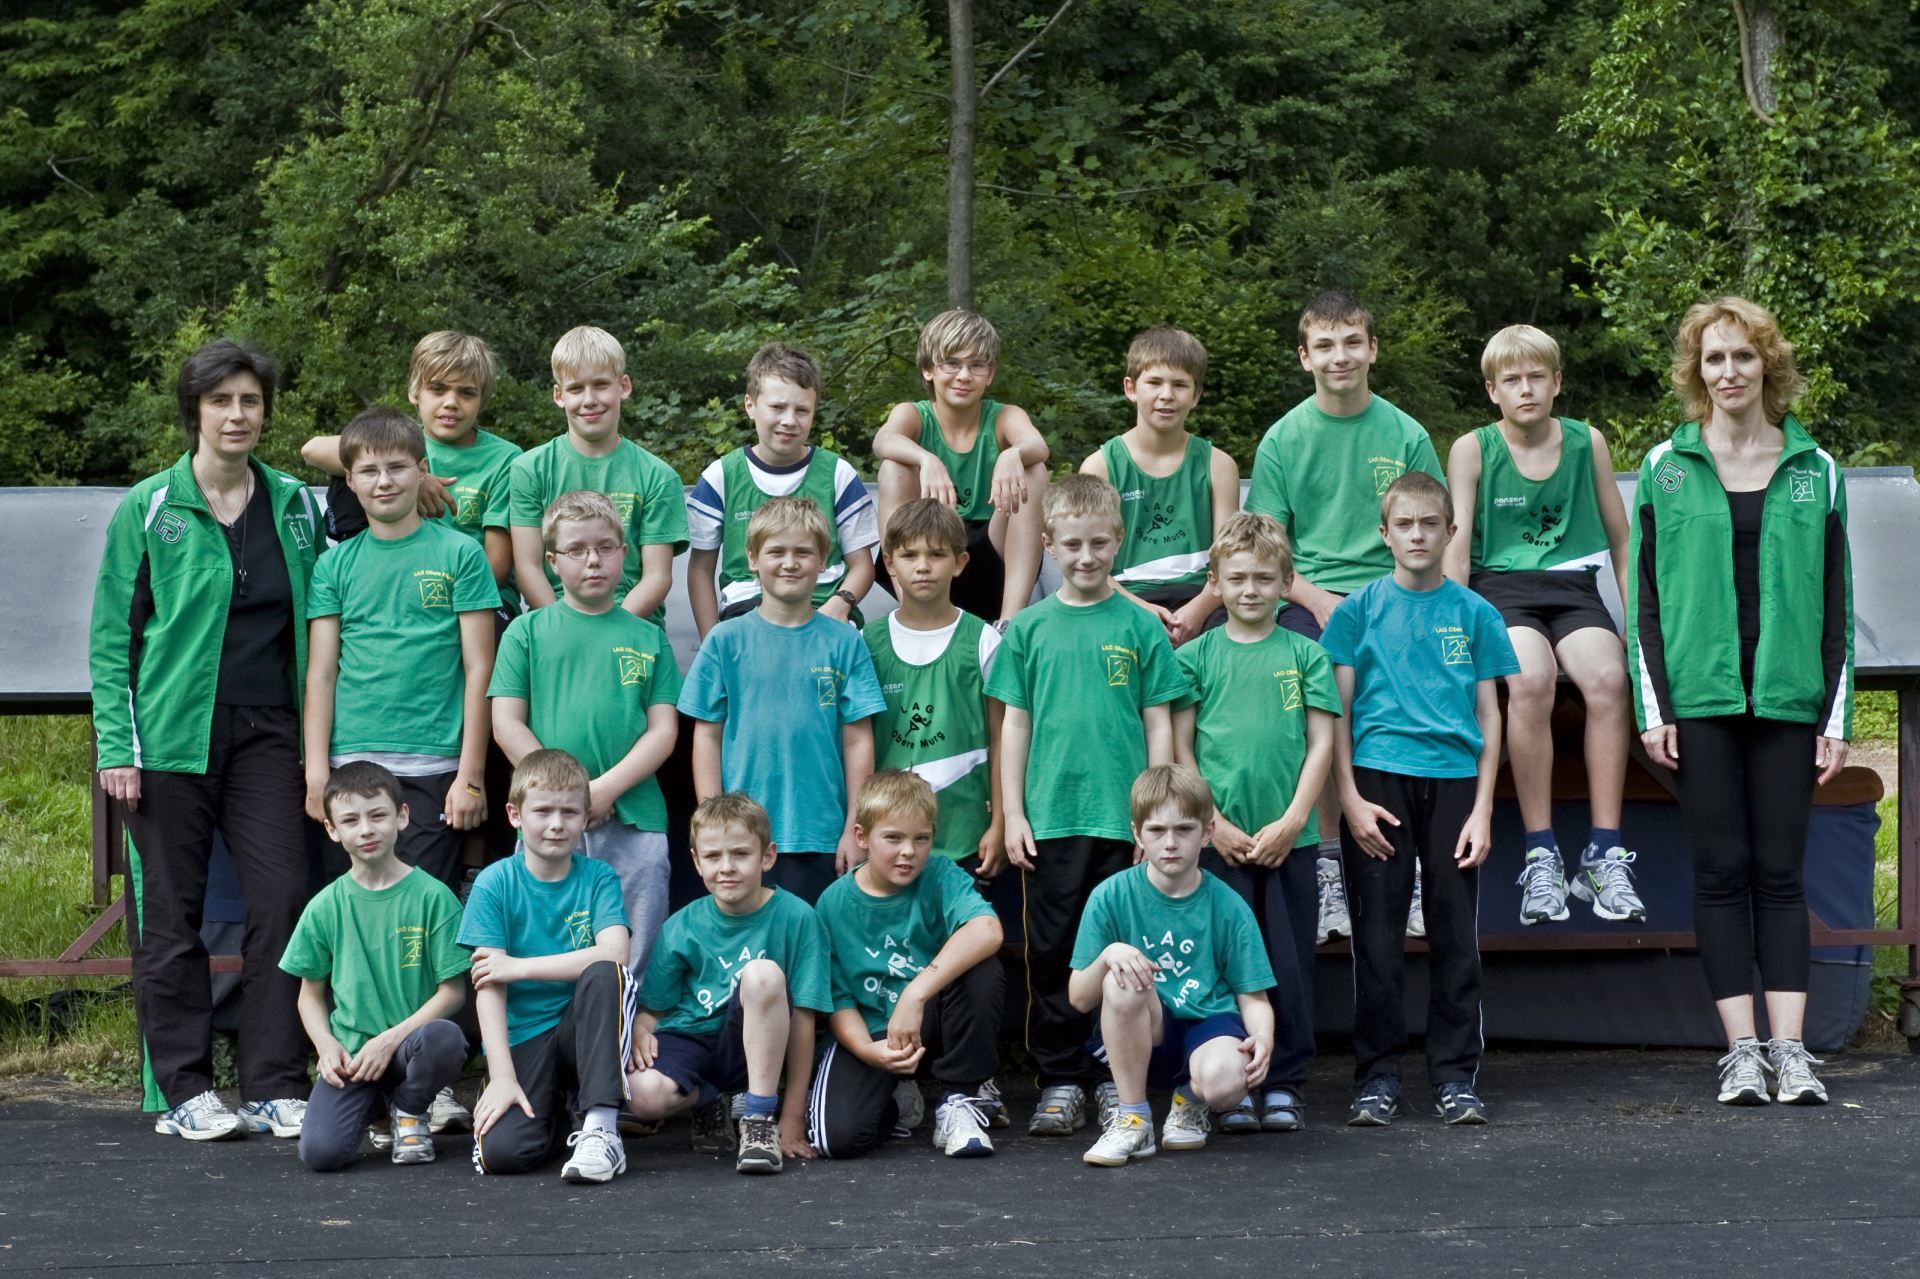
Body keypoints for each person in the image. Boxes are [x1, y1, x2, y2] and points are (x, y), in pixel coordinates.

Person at [90, 338, 322, 1140]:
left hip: (270, 736)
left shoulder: (297, 505)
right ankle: (183, 1088)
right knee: (172, 915)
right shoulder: (150, 506)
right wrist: (117, 746)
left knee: (284, 900)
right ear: (195, 411)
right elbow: (112, 636)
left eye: (250, 400)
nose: (237, 414)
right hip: (168, 739)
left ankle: (271, 1081)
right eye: (221, 400)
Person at [1628, 295, 1852, 1107]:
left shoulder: (1816, 469)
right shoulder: (1663, 466)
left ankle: (1793, 1053)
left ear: (1769, 366)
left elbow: (1837, 602)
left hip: (1788, 702)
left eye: (1743, 357)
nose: (1729, 371)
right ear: (1697, 372)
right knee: (1721, 872)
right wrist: (1655, 708)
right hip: (1702, 702)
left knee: (1781, 874)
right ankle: (1743, 1053)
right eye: (1714, 358)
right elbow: (1644, 600)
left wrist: (1834, 717)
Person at [983, 474, 1190, 1137]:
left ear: (1118, 541)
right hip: (1050, 820)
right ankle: (1061, 1077)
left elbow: (1158, 721)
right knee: (1052, 956)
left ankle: (1112, 1079)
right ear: (1046, 544)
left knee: (1121, 953)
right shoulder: (1030, 629)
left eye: (1100, 542)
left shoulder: (1139, 625)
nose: (1086, 556)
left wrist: (1152, 816)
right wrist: (1013, 812)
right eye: (1071, 544)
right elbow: (1013, 725)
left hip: (1122, 823)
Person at [1246, 291, 1444, 948]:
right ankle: (1329, 862)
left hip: (1396, 595)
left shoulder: (1406, 433)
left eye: (1352, 342)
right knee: (1322, 691)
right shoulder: (1284, 438)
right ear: (1305, 357)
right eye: (1325, 345)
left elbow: (1430, 532)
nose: (1340, 356)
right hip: (1310, 602)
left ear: (1373, 349)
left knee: (1415, 690)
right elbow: (1268, 550)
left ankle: (1411, 868)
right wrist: (1317, 598)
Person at [1323, 472, 1516, 1128]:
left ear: (1450, 531)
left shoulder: (1476, 613)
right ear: (1384, 533)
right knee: (1376, 937)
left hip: (1457, 784)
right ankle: (1377, 1076)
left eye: (1429, 523)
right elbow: (1337, 715)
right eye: (1403, 524)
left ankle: (1455, 1075)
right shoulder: (1356, 612)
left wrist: (1485, 806)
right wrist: (1347, 797)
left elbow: (1491, 716)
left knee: (1454, 931)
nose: (1416, 534)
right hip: (1378, 783)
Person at [1446, 325, 1640, 924]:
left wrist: (1637, 630)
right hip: (1500, 589)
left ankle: (1604, 855)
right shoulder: (1473, 449)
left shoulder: (1588, 443)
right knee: (1530, 679)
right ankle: (1541, 854)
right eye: (1512, 380)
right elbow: (1454, 545)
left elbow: (1620, 540)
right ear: (1492, 391)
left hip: (1574, 587)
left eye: (1537, 377)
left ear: (1556, 383)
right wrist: (1451, 628)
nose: (1526, 389)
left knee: (1608, 680)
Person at [1172, 512, 1338, 1134]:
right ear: (1214, 581)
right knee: (1223, 964)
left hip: (1290, 839)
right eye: (1236, 578)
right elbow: (1181, 747)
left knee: (1287, 959)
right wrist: (1211, 822)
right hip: (1219, 843)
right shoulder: (1196, 657)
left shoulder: (1305, 655)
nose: (1249, 590)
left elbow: (1320, 744)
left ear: (1286, 582)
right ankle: (1232, 1084)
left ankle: (1285, 1081)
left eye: (1264, 578)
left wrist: (1295, 820)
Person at [303, 408, 498, 892]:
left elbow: (480, 669)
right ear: (349, 481)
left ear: (422, 471)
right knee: (354, 907)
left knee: (421, 912)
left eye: (397, 468)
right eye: (368, 471)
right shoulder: (334, 566)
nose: (384, 482)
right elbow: (321, 674)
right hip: (350, 763)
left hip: (433, 767)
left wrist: (470, 775)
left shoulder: (461, 554)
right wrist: (315, 772)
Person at [490, 490, 683, 974]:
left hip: (633, 817)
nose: (592, 560)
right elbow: (506, 723)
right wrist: (567, 796)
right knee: (544, 931)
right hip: (547, 816)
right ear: (552, 561)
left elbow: (663, 730)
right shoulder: (526, 632)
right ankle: (549, 1034)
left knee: (636, 945)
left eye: (605, 547)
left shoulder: (649, 637)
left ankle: (630, 1027)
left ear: (625, 553)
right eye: (577, 550)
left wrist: (605, 790)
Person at [678, 497, 889, 905]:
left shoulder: (845, 642)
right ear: (753, 558)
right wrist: (711, 825)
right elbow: (706, 737)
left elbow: (858, 741)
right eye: (776, 551)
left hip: (823, 835)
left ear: (824, 561)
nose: (789, 563)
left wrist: (854, 827)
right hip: (742, 840)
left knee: (816, 952)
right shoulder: (725, 641)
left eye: (803, 552)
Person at [1069, 765, 1276, 1166]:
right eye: (1156, 831)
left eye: (1184, 830)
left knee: (1226, 1080)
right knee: (1121, 979)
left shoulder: (1229, 905)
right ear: (1136, 833)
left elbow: (1253, 996)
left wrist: (1263, 1038)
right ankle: (1133, 1118)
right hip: (1145, 1027)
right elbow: (1079, 998)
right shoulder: (1110, 896)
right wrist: (1110, 953)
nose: (1170, 844)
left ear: (1208, 832)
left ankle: (1190, 1100)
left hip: (1208, 1026)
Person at [627, 793, 832, 1174]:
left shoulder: (798, 917)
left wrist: (793, 1116)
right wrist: (639, 1031)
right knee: (640, 1097)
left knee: (763, 973)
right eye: (713, 857)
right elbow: (653, 1011)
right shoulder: (679, 927)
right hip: (692, 1038)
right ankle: (710, 1099)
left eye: (740, 854)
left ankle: (758, 1121)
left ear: (767, 857)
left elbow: (804, 1019)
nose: (727, 868)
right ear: (696, 862)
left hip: (753, 1046)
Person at [284, 762, 470, 1171]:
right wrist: (326, 1045)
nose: (366, 829)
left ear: (402, 817)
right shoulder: (325, 906)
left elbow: (454, 991)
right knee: (320, 1154)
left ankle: (409, 1109)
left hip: (408, 1048)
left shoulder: (433, 897)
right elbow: (309, 995)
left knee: (445, 1038)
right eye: (350, 820)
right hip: (355, 1056)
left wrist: (390, 1040)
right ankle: (379, 1110)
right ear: (333, 830)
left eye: (378, 815)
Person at [810, 771, 1006, 1159]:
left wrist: (915, 993)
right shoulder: (832, 905)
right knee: (837, 1140)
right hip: (871, 1033)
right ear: (862, 836)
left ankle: (958, 1100)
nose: (909, 852)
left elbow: (987, 930)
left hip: (929, 1022)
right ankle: (898, 1102)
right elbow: (838, 998)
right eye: (893, 838)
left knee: (981, 970)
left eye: (922, 839)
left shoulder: (940, 875)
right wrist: (868, 1052)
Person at [462, 750, 636, 1181]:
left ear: (586, 817)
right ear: (514, 814)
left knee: (602, 974)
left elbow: (615, 954)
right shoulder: (494, 882)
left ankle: (600, 1128)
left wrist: (517, 967)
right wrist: (501, 1075)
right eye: (542, 810)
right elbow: (488, 983)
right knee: (505, 1155)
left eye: (569, 812)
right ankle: (558, 1113)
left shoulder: (598, 876)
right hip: (525, 1034)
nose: (557, 823)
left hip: (582, 1033)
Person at [299, 331, 522, 610]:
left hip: (480, 594)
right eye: (438, 389)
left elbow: (497, 567)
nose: (451, 402)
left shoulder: (506, 459)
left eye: (466, 392)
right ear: (415, 392)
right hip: (395, 585)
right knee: (357, 475)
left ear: (482, 400)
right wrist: (418, 478)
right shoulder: (397, 445)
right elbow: (312, 450)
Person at [686, 342, 878, 637]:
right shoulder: (720, 477)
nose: (789, 420)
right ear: (750, 405)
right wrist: (711, 641)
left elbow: (862, 566)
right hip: (747, 613)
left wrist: (842, 603)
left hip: (825, 609)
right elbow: (700, 570)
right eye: (777, 407)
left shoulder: (837, 475)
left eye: (802, 410)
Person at [872, 308, 1050, 624]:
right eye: (952, 364)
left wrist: (1012, 455)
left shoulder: (1003, 417)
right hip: (929, 549)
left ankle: (1012, 622)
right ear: (928, 369)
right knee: (893, 467)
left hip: (992, 552)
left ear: (990, 373)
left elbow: (1037, 446)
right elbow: (884, 440)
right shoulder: (916, 415)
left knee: (1034, 470)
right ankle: (911, 616)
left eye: (976, 365)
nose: (964, 376)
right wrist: (926, 458)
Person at [863, 499, 1005, 879]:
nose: (923, 566)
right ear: (890, 564)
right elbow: (854, 743)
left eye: (937, 554)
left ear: (959, 563)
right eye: (909, 555)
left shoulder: (983, 640)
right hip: (887, 838)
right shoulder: (866, 643)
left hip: (965, 836)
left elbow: (1001, 737)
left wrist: (1000, 823)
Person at [509, 325, 688, 625]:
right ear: (559, 395)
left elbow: (657, 577)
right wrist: (567, 627)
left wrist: (606, 631)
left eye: (601, 385)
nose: (589, 400)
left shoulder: (658, 476)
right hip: (555, 624)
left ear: (624, 386)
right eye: (576, 388)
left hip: (634, 626)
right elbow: (528, 568)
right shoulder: (529, 470)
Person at [1080, 325, 1240, 644]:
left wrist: (1195, 613)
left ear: (1196, 395)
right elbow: (1089, 562)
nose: (1166, 395)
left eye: (1180, 385)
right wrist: (1140, 609)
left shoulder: (1218, 465)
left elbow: (1230, 558)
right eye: (1154, 382)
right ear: (1131, 388)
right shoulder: (1100, 468)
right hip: (1123, 598)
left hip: (1203, 600)